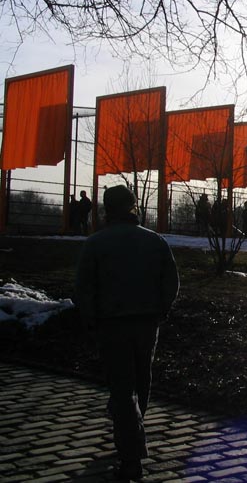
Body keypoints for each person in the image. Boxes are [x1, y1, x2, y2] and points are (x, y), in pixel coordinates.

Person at [74, 185, 179, 481]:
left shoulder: (95, 243)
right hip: (147, 323)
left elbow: (84, 287)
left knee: (121, 390)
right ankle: (133, 430)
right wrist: (161, 309)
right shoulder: (155, 241)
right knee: (141, 379)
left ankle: (131, 455)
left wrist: (91, 318)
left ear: (107, 209)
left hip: (111, 324)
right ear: (134, 206)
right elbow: (171, 281)